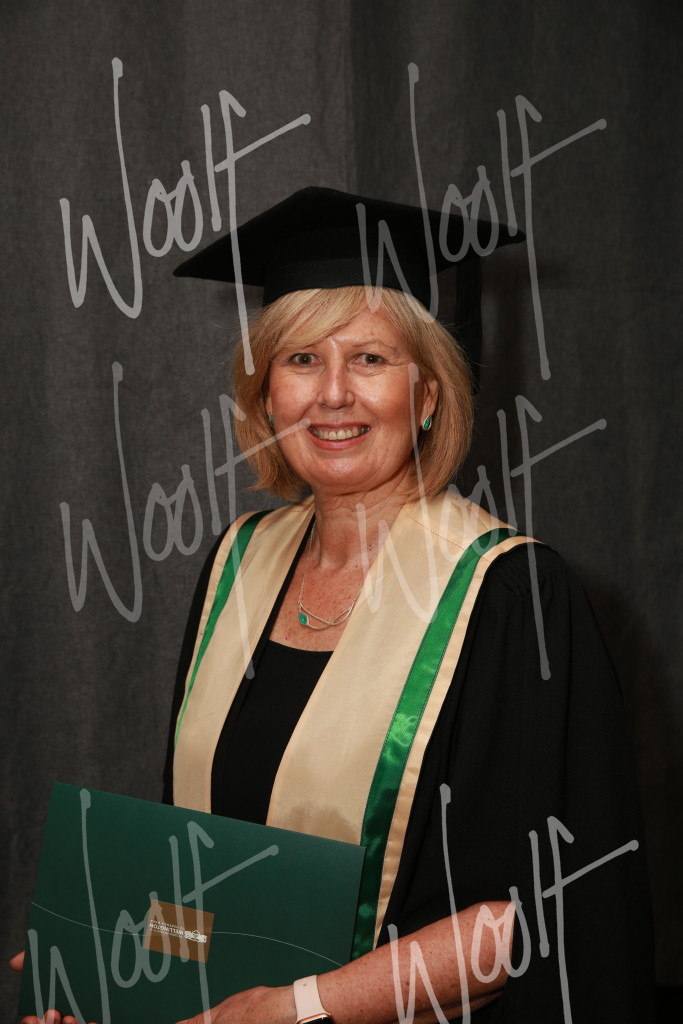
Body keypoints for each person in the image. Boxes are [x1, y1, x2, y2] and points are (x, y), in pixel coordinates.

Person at [17, 188, 654, 1023]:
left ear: (427, 397)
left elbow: (534, 920)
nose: (332, 394)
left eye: (370, 359)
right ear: (265, 396)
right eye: (301, 360)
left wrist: (297, 1008)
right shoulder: (239, 564)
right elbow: (207, 875)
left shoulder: (509, 596)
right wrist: (107, 965)